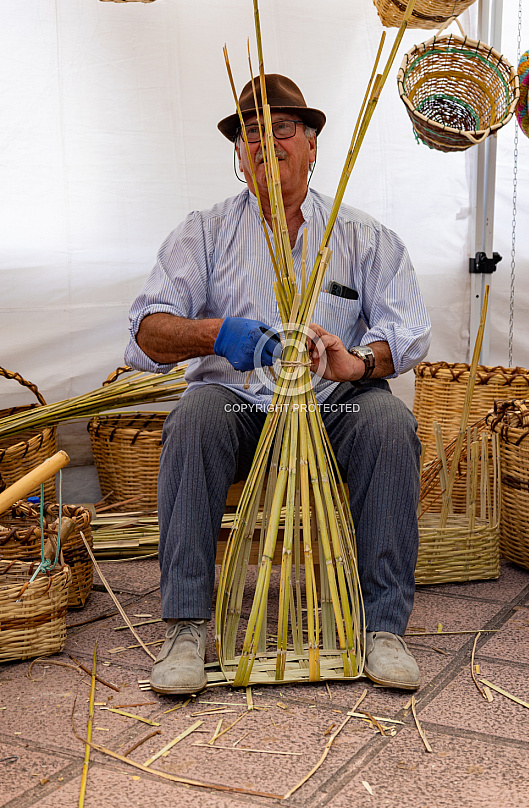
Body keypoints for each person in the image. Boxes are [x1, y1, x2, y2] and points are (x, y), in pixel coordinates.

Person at [125, 74, 432, 695]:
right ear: (239, 155)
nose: (265, 144)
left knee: (390, 421)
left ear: (313, 145)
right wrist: (217, 333)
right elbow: (144, 335)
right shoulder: (203, 234)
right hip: (241, 407)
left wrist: (360, 364)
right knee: (194, 414)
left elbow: (409, 332)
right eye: (249, 134)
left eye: (282, 129)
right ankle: (187, 627)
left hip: (331, 408)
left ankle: (384, 628)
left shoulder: (363, 237)